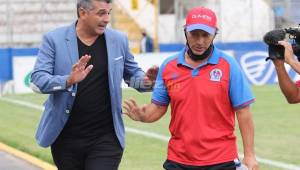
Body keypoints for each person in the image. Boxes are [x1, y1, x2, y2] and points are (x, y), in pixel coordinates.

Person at [123, 6, 259, 170]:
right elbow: (158, 108)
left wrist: (250, 156)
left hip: (221, 160)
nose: (200, 41)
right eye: (194, 34)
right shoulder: (168, 66)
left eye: (205, 35)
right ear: (185, 32)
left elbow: (243, 112)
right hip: (178, 159)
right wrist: (143, 116)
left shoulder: (229, 65)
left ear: (214, 34)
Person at [30, 0, 158, 169]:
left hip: (106, 138)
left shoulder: (118, 40)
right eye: (101, 13)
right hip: (65, 138)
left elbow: (132, 75)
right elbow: (38, 79)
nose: (106, 19)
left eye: (108, 13)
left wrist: (147, 82)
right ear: (82, 13)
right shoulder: (53, 39)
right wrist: (68, 80)